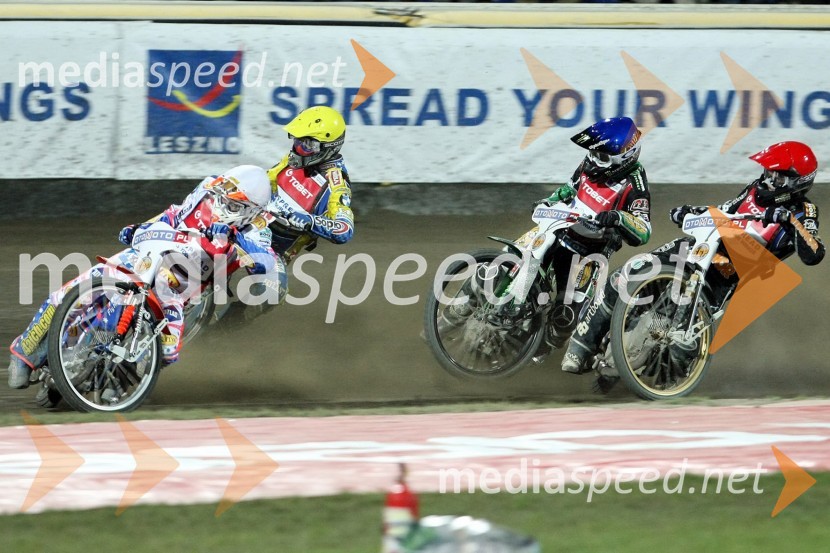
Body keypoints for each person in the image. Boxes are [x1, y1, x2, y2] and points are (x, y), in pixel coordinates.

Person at [562, 140, 825, 379]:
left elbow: (814, 254)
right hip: (697, 247)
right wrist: (692, 210)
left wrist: (790, 220)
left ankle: (644, 378)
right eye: (768, 173)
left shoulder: (804, 211)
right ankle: (580, 347)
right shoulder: (755, 189)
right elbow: (725, 210)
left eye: (777, 177)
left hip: (724, 273)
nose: (768, 180)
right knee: (625, 276)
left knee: (674, 343)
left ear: (797, 182)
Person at [8, 165, 277, 389]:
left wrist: (236, 237)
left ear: (251, 210)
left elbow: (267, 263)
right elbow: (174, 213)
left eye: (232, 205)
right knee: (74, 291)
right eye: (222, 198)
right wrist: (142, 227)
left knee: (165, 351)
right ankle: (24, 352)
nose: (221, 205)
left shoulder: (259, 227)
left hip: (181, 287)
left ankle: (114, 381)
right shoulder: (207, 189)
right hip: (147, 258)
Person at [532, 116, 651, 363]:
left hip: (589, 253)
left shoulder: (635, 183)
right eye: (593, 153)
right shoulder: (589, 162)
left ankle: (539, 350)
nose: (594, 160)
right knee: (515, 258)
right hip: (558, 230)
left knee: (566, 317)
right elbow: (569, 188)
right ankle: (468, 305)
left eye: (602, 156)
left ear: (624, 157)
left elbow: (644, 230)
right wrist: (550, 200)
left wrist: (618, 217)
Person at [265, 105, 354, 268]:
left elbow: (344, 230)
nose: (299, 148)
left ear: (328, 147)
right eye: (297, 140)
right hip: (254, 222)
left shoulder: (337, 183)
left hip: (277, 248)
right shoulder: (295, 158)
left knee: (271, 283)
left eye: (307, 144)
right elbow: (267, 178)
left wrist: (311, 221)